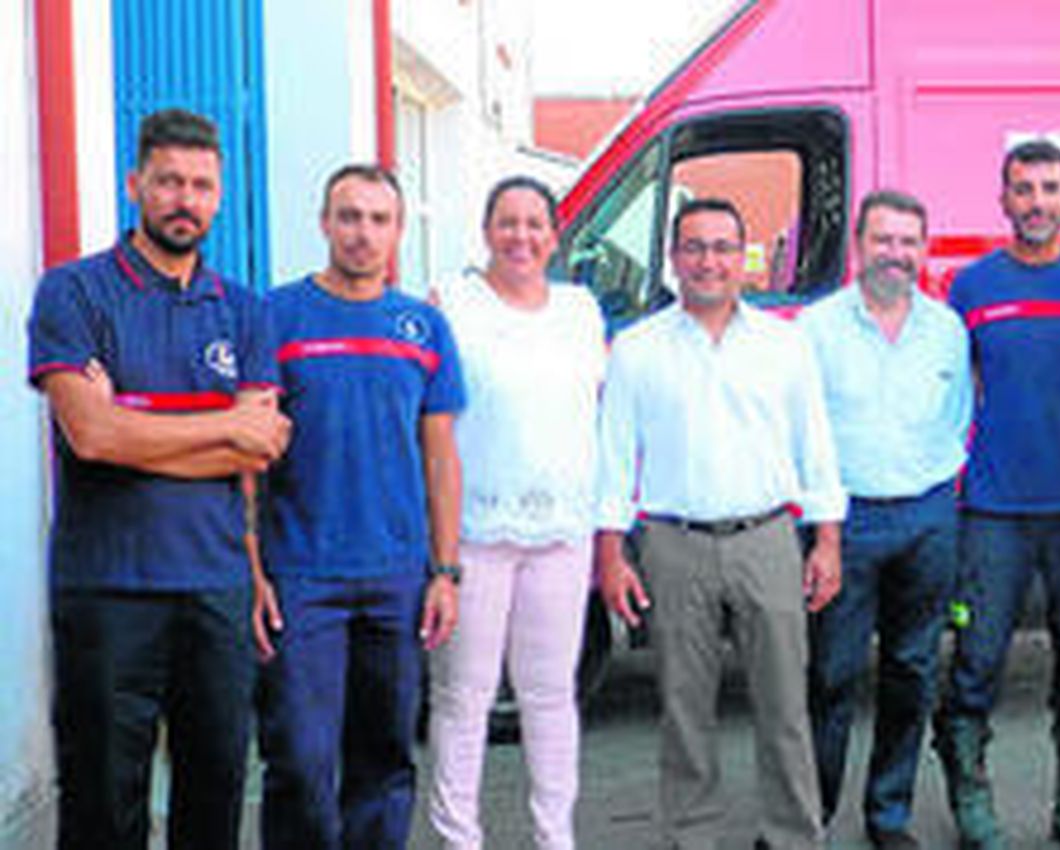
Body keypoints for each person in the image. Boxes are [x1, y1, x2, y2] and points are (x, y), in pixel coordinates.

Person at [26, 108, 291, 850]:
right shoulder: (73, 293)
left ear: (219, 195)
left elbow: (258, 448)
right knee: (103, 805)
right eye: (169, 181)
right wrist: (220, 427)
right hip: (107, 588)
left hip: (214, 587)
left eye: (202, 185)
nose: (185, 198)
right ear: (134, 184)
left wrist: (131, 428)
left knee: (212, 801)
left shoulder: (244, 310)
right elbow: (89, 433)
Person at [595, 197, 847, 850]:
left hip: (767, 541)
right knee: (684, 711)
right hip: (673, 545)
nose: (709, 261)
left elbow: (815, 444)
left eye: (723, 247)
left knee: (784, 708)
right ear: (675, 258)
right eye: (695, 247)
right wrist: (611, 555)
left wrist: (826, 540)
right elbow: (615, 456)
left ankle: (793, 835)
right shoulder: (636, 349)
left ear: (745, 259)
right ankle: (694, 837)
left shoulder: (785, 345)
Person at [254, 163, 465, 849]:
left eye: (379, 219)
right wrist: (253, 571)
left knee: (384, 759)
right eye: (349, 216)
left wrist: (445, 570)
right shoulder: (275, 316)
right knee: (300, 761)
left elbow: (440, 456)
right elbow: (246, 460)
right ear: (324, 223)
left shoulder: (425, 328)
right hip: (301, 576)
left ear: (399, 230)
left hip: (396, 578)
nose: (362, 233)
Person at [932, 139, 1060, 850]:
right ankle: (972, 804)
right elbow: (956, 388)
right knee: (976, 661)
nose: (1036, 201)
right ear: (1003, 198)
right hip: (993, 511)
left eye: (1049, 188)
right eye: (1023, 188)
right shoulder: (972, 287)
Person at [425, 176, 606, 850]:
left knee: (552, 698)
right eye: (507, 222)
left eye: (535, 224)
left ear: (556, 237)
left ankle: (553, 837)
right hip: (473, 531)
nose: (521, 236)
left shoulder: (582, 309)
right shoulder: (452, 304)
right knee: (463, 700)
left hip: (561, 532)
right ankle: (458, 838)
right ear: (485, 231)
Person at [799, 190, 971, 850]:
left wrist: (932, 491)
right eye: (883, 239)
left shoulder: (947, 329)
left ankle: (888, 816)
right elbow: (805, 435)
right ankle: (809, 818)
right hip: (845, 525)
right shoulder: (817, 329)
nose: (896, 253)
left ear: (922, 251)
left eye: (908, 242)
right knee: (830, 675)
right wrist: (824, 533)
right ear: (858, 246)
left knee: (912, 670)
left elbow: (956, 419)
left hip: (929, 517)